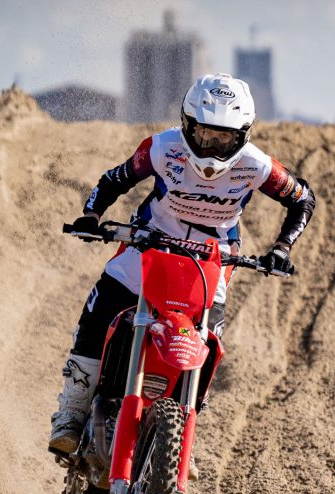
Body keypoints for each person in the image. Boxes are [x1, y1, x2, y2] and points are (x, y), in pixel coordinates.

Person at [50, 73, 316, 471]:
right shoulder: (161, 147)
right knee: (101, 307)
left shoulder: (258, 165)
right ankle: (71, 411)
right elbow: (114, 180)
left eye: (224, 138)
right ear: (187, 124)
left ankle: (178, 442)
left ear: (243, 134)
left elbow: (302, 199)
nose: (213, 147)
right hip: (149, 246)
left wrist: (281, 248)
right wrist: (91, 215)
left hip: (212, 262)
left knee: (208, 346)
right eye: (205, 134)